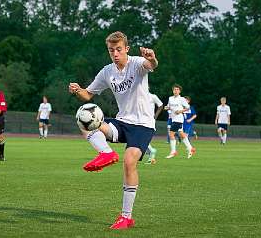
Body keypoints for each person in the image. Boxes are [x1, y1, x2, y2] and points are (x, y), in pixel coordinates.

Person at [68, 31, 158, 230]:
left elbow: (150, 65)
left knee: (129, 162)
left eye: (119, 49)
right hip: (122, 122)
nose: (115, 53)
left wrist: (151, 58)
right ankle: (106, 153)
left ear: (126, 48)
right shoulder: (107, 71)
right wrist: (77, 90)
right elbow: (88, 95)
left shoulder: (136, 63)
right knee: (84, 118)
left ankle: (126, 217)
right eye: (111, 50)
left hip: (143, 125)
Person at [165, 84, 196, 159]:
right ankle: (191, 149)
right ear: (172, 90)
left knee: (171, 134)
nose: (175, 91)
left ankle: (173, 152)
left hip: (178, 119)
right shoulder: (170, 98)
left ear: (179, 91)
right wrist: (166, 108)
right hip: (173, 119)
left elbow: (188, 108)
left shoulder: (182, 99)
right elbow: (168, 106)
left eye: (177, 89)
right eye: (174, 89)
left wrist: (180, 111)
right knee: (182, 134)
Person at [145, 92, 164, 164]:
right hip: (139, 120)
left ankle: (151, 151)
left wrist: (155, 117)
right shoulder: (138, 96)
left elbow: (161, 105)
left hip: (149, 120)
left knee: (142, 138)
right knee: (140, 138)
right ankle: (150, 152)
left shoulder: (152, 96)